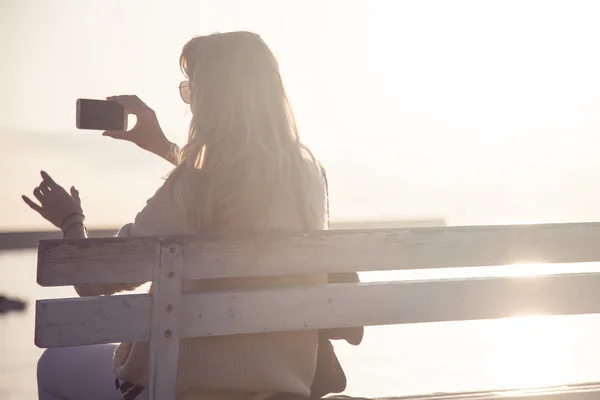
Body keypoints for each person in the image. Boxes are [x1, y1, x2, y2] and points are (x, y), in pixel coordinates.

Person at [24, 31, 335, 400]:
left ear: (214, 100)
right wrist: (165, 147)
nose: (190, 101)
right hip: (281, 387)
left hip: (182, 389)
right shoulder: (307, 178)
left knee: (54, 364)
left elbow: (92, 283)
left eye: (193, 90)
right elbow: (233, 191)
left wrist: (71, 221)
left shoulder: (189, 191)